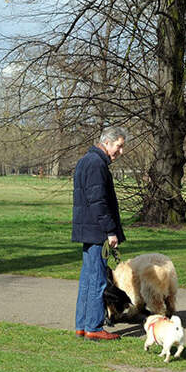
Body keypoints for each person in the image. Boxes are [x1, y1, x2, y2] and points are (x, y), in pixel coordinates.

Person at [72, 127, 127, 341]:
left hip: (88, 230)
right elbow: (98, 202)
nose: (120, 151)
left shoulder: (87, 161)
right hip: (97, 232)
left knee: (88, 280)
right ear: (106, 142)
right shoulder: (96, 164)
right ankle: (94, 327)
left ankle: (82, 326)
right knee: (98, 281)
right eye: (118, 146)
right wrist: (110, 231)